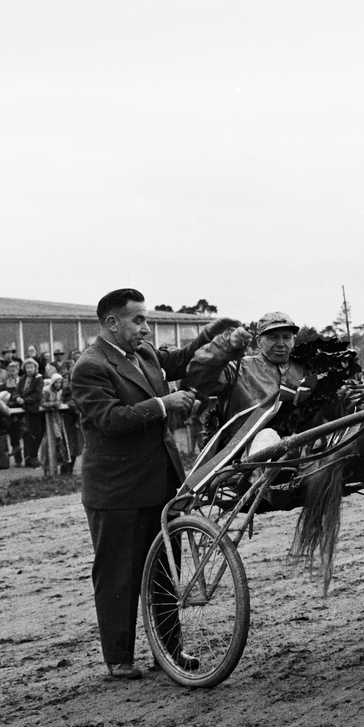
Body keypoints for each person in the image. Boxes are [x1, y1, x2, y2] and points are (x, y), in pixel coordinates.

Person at [71, 288, 236, 680]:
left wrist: (211, 335)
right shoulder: (90, 366)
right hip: (117, 491)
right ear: (112, 323)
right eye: (138, 320)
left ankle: (169, 652)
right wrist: (165, 405)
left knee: (164, 570)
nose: (146, 328)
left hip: (159, 483)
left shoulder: (143, 354)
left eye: (145, 319)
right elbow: (110, 419)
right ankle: (119, 659)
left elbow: (178, 361)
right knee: (118, 576)